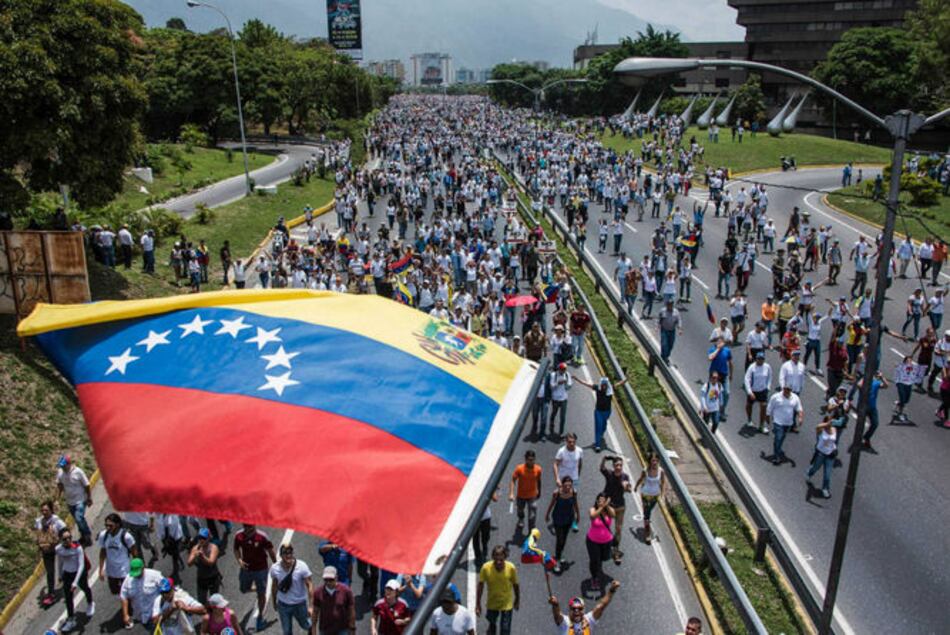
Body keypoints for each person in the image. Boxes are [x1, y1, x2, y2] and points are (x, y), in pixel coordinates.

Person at [234, 523, 276, 631]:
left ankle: (260, 616)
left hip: (260, 570)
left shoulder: (262, 537)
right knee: (243, 589)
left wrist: (276, 565)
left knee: (261, 594)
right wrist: (239, 560)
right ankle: (258, 589)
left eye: (251, 527)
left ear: (254, 526)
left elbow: (271, 551)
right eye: (246, 527)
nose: (248, 529)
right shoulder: (238, 536)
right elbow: (236, 549)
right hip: (246, 569)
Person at [574, 375, 627, 452]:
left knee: (604, 426)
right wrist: (577, 379)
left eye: (605, 385)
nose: (604, 387)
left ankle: (600, 435)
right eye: (603, 385)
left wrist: (627, 379)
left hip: (607, 412)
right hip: (598, 411)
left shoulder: (610, 389)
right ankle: (597, 445)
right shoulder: (597, 388)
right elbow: (586, 384)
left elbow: (620, 384)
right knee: (598, 427)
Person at [56, 527, 94, 632]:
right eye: (65, 539)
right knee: (68, 598)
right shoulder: (59, 549)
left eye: (69, 538)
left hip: (79, 573)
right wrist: (59, 575)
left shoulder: (77, 547)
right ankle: (71, 619)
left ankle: (90, 603)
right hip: (67, 574)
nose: (68, 540)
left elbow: (81, 565)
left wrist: (75, 582)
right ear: (60, 539)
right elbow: (60, 562)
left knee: (85, 588)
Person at [476, 546, 520, 635]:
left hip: (506, 604)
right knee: (492, 624)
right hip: (492, 602)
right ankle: (491, 628)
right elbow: (480, 586)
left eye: (501, 560)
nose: (499, 562)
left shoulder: (511, 568)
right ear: (493, 557)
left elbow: (516, 585)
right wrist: (478, 604)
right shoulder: (485, 568)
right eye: (496, 560)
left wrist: (517, 600)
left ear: (505, 557)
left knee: (505, 630)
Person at [270, 544, 313, 635]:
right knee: (287, 631)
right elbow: (274, 586)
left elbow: (309, 585)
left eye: (290, 552)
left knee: (305, 625)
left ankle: (311, 630)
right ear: (281, 555)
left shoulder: (302, 566)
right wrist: (274, 602)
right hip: (283, 605)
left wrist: (310, 606)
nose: (288, 555)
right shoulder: (275, 568)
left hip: (299, 604)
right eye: (285, 553)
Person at [548, 580, 620, 633]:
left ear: (584, 609)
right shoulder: (565, 622)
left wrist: (612, 590)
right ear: (569, 610)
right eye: (574, 608)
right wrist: (555, 605)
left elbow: (601, 606)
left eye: (580, 608)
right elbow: (557, 615)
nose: (577, 611)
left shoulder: (589, 620)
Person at [599, 456, 631, 563]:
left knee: (618, 529)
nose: (619, 467)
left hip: (620, 506)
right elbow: (602, 468)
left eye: (620, 465)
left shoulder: (625, 476)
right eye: (617, 465)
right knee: (605, 526)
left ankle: (616, 551)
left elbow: (627, 487)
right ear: (613, 466)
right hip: (609, 506)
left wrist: (626, 487)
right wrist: (604, 459)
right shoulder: (609, 474)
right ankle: (604, 546)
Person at [35, 500, 67, 606]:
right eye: (42, 510)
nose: (44, 512)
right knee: (50, 572)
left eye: (46, 510)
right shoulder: (39, 521)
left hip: (57, 547)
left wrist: (61, 541)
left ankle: (68, 581)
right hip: (46, 550)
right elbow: (38, 534)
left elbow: (65, 530)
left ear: (51, 510)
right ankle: (51, 593)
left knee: (63, 567)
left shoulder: (56, 521)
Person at [97, 512, 137, 596]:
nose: (108, 528)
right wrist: (100, 570)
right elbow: (103, 552)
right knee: (115, 591)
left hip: (124, 570)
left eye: (110, 525)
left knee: (125, 592)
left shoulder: (126, 536)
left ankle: (128, 605)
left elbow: (134, 552)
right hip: (111, 570)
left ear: (118, 524)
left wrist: (137, 567)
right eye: (106, 525)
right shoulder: (103, 535)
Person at [56, 454, 92, 546]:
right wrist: (57, 499)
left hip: (80, 500)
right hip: (70, 502)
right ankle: (84, 536)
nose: (63, 468)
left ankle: (87, 535)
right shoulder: (60, 472)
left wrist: (89, 498)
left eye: (64, 466)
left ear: (69, 464)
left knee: (79, 518)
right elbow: (59, 485)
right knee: (78, 519)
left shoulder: (78, 472)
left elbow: (87, 485)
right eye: (61, 466)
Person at [545, 476, 580, 571]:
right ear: (562, 485)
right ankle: (557, 560)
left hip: (569, 518)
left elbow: (575, 504)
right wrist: (547, 514)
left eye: (570, 485)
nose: (568, 487)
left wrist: (578, 515)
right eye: (566, 485)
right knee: (559, 539)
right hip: (558, 518)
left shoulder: (573, 492)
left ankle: (559, 554)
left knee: (564, 538)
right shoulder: (557, 493)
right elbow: (552, 504)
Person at [121, 558, 164, 630]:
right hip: (142, 617)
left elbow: (167, 589)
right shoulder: (128, 579)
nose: (136, 576)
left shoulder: (154, 575)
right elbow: (123, 596)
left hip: (157, 614)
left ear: (143, 568)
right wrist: (125, 615)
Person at [633, 452, 666, 544]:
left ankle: (647, 522)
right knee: (647, 513)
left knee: (649, 510)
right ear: (650, 462)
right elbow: (640, 479)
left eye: (656, 460)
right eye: (653, 460)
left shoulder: (661, 471)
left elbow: (663, 483)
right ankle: (647, 534)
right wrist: (636, 486)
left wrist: (662, 495)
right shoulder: (645, 470)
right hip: (645, 494)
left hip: (655, 495)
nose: (655, 462)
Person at [312, 566, 356, 635]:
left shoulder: (346, 591)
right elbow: (315, 612)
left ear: (336, 578)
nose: (328, 582)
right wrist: (313, 629)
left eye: (331, 580)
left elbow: (351, 611)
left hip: (342, 629)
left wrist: (352, 628)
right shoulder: (318, 592)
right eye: (326, 580)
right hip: (325, 629)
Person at [585, 493, 615, 590]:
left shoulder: (609, 510)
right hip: (593, 541)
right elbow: (593, 516)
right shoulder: (593, 510)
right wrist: (602, 507)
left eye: (603, 500)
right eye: (599, 501)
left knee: (604, 558)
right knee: (594, 561)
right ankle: (594, 578)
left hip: (607, 541)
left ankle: (599, 566)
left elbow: (613, 515)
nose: (600, 502)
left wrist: (607, 506)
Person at [553, 433, 583, 530]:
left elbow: (580, 463)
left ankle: (573, 520)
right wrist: (557, 478)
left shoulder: (579, 451)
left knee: (573, 499)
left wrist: (578, 475)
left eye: (573, 442)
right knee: (559, 498)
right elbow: (555, 464)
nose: (571, 444)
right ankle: (556, 518)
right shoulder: (561, 451)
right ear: (566, 441)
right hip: (562, 478)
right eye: (569, 442)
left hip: (573, 478)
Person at [766, 385, 803, 463]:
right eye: (786, 389)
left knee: (782, 436)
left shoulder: (795, 398)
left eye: (789, 390)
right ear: (783, 389)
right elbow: (769, 408)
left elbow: (799, 408)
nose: (787, 391)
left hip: (788, 423)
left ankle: (778, 447)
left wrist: (800, 418)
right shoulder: (775, 397)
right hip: (778, 421)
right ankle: (776, 456)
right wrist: (768, 418)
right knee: (778, 437)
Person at [806, 416, 838, 499]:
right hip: (821, 453)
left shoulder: (834, 429)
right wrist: (826, 424)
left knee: (827, 474)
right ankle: (809, 473)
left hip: (830, 454)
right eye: (828, 423)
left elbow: (833, 441)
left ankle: (825, 489)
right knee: (816, 467)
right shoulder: (821, 431)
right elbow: (817, 426)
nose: (830, 425)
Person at [855, 370, 888, 451]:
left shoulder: (876, 383)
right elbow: (859, 385)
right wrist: (864, 377)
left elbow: (886, 386)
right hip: (862, 406)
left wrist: (882, 377)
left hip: (872, 407)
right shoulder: (864, 382)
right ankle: (857, 440)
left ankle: (866, 437)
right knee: (860, 425)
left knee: (875, 424)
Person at [509, 450, 542, 531]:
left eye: (533, 459)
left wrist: (539, 491)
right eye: (529, 460)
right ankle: (521, 518)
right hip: (521, 495)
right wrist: (511, 493)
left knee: (532, 514)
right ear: (526, 459)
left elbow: (539, 480)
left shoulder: (538, 469)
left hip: (532, 495)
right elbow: (513, 480)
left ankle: (531, 531)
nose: (531, 462)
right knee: (520, 510)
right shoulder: (519, 469)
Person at [188, 527, 222, 605]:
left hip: (213, 578)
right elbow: (189, 563)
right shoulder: (196, 548)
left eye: (203, 538)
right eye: (200, 538)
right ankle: (208, 610)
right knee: (201, 601)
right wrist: (195, 556)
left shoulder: (213, 547)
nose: (201, 540)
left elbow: (211, 562)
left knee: (215, 600)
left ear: (208, 538)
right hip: (201, 578)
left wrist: (202, 556)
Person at [744, 352, 772, 430]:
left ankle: (761, 425)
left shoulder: (767, 367)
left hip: (762, 390)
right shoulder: (752, 367)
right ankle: (749, 419)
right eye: (759, 359)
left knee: (763, 406)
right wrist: (749, 392)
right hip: (753, 390)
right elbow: (747, 379)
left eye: (762, 359)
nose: (760, 361)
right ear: (756, 359)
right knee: (749, 405)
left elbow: (769, 377)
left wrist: (768, 388)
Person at [548, 362, 573, 438]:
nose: (563, 371)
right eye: (562, 369)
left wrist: (566, 384)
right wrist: (558, 383)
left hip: (564, 399)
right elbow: (551, 387)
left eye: (564, 369)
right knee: (554, 413)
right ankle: (551, 424)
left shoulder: (567, 375)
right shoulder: (553, 375)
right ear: (559, 369)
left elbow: (569, 386)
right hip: (555, 398)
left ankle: (561, 432)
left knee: (563, 417)